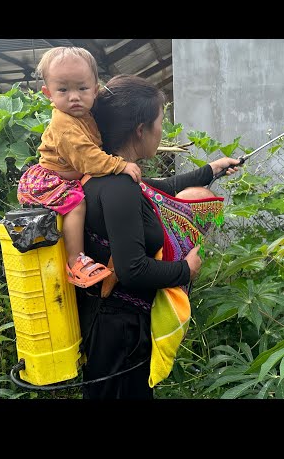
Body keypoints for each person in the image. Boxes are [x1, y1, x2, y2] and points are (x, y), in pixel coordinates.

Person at [76, 74, 241, 399]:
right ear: (141, 130)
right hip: (120, 335)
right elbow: (132, 269)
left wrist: (212, 169)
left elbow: (157, 188)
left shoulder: (106, 176)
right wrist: (187, 269)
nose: (162, 131)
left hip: (108, 328)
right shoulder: (120, 187)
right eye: (160, 122)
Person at [17, 47, 142, 289]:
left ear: (95, 90)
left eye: (82, 88)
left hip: (67, 176)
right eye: (63, 90)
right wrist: (120, 164)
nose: (74, 96)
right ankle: (75, 261)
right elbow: (88, 159)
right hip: (50, 180)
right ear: (48, 93)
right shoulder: (65, 125)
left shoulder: (83, 114)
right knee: (76, 203)